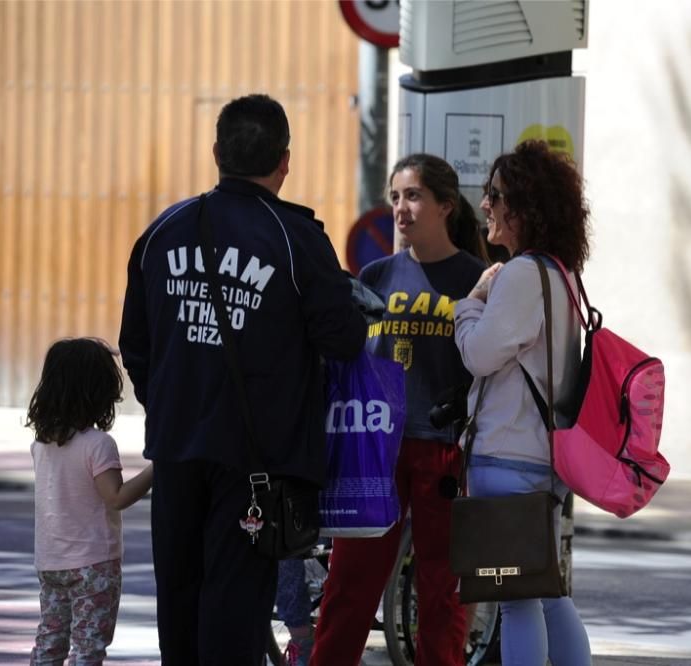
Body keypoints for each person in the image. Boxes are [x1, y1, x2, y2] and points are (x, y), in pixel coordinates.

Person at [118, 93, 367, 665]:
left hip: (177, 452)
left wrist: (170, 403)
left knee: (179, 604)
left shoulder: (163, 232)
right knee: (234, 612)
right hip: (259, 463)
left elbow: (136, 344)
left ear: (216, 153)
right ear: (285, 161)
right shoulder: (296, 239)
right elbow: (345, 339)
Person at [311, 153, 487, 666]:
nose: (401, 209)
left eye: (413, 196)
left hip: (443, 448)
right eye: (395, 198)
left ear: (445, 206)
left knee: (441, 590)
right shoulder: (377, 273)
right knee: (350, 582)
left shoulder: (476, 278)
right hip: (375, 451)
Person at [453, 140, 593, 665]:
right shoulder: (564, 276)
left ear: (523, 208)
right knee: (546, 593)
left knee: (515, 603)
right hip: (544, 457)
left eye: (495, 195)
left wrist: (469, 305)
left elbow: (480, 355)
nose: (485, 205)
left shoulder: (518, 276)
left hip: (506, 454)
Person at [27, 337, 154, 666]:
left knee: (50, 638)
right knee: (88, 646)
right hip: (94, 564)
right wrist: (158, 469)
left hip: (51, 561)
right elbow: (116, 497)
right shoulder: (98, 445)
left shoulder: (41, 443)